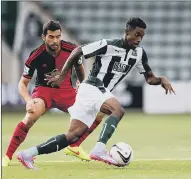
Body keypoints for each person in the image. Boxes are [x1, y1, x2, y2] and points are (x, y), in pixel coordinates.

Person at [17, 17, 175, 169]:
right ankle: (99, 149)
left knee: (72, 137)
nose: (139, 39)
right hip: (92, 87)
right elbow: (78, 51)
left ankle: (27, 154)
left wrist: (161, 79)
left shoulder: (139, 53)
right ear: (127, 31)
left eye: (142, 36)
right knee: (118, 110)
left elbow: (149, 78)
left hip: (96, 93)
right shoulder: (108, 45)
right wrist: (62, 75)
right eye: (137, 34)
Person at [2, 20, 104, 167]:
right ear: (43, 37)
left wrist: (83, 85)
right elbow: (22, 84)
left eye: (58, 36)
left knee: (98, 110)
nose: (55, 40)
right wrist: (28, 100)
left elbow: (79, 67)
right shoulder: (35, 55)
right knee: (31, 115)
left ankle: (74, 146)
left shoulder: (72, 49)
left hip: (67, 91)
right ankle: (7, 156)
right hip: (44, 92)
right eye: (51, 37)